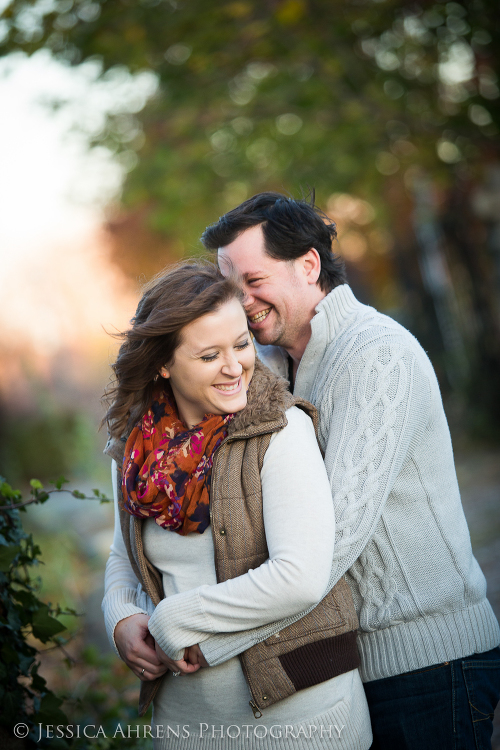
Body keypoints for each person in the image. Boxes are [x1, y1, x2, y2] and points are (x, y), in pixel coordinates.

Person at [200, 192, 500, 750]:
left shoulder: (376, 353)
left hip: (430, 665)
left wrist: (207, 634)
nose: (241, 302)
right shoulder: (279, 375)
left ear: (308, 265)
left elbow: (326, 543)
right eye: (230, 288)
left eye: (254, 281)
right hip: (354, 669)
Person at [101, 262, 372, 750]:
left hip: (303, 720)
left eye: (242, 344)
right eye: (209, 355)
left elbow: (300, 575)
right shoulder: (135, 448)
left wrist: (173, 619)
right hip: (185, 724)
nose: (235, 367)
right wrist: (119, 615)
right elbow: (125, 555)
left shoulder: (281, 432)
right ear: (164, 363)